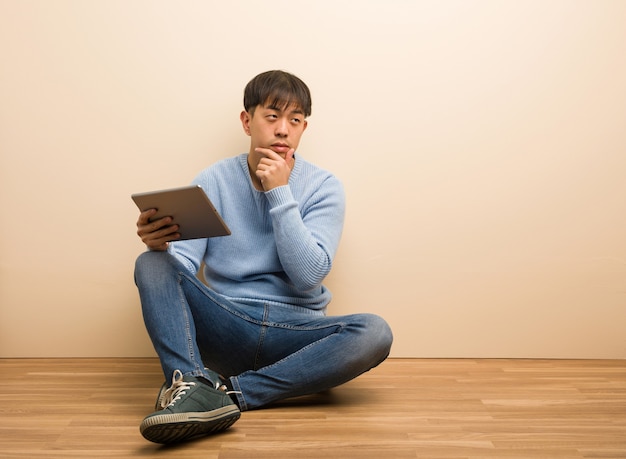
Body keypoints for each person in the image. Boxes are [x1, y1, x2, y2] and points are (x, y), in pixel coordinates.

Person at [134, 70, 393, 444]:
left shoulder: (324, 187)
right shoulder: (214, 179)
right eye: (272, 116)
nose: (283, 129)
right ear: (247, 121)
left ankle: (227, 395)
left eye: (295, 119)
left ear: (304, 127)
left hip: (296, 334)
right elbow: (181, 272)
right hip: (229, 323)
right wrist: (161, 246)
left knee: (375, 332)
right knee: (151, 263)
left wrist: (280, 193)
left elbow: (309, 276)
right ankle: (188, 383)